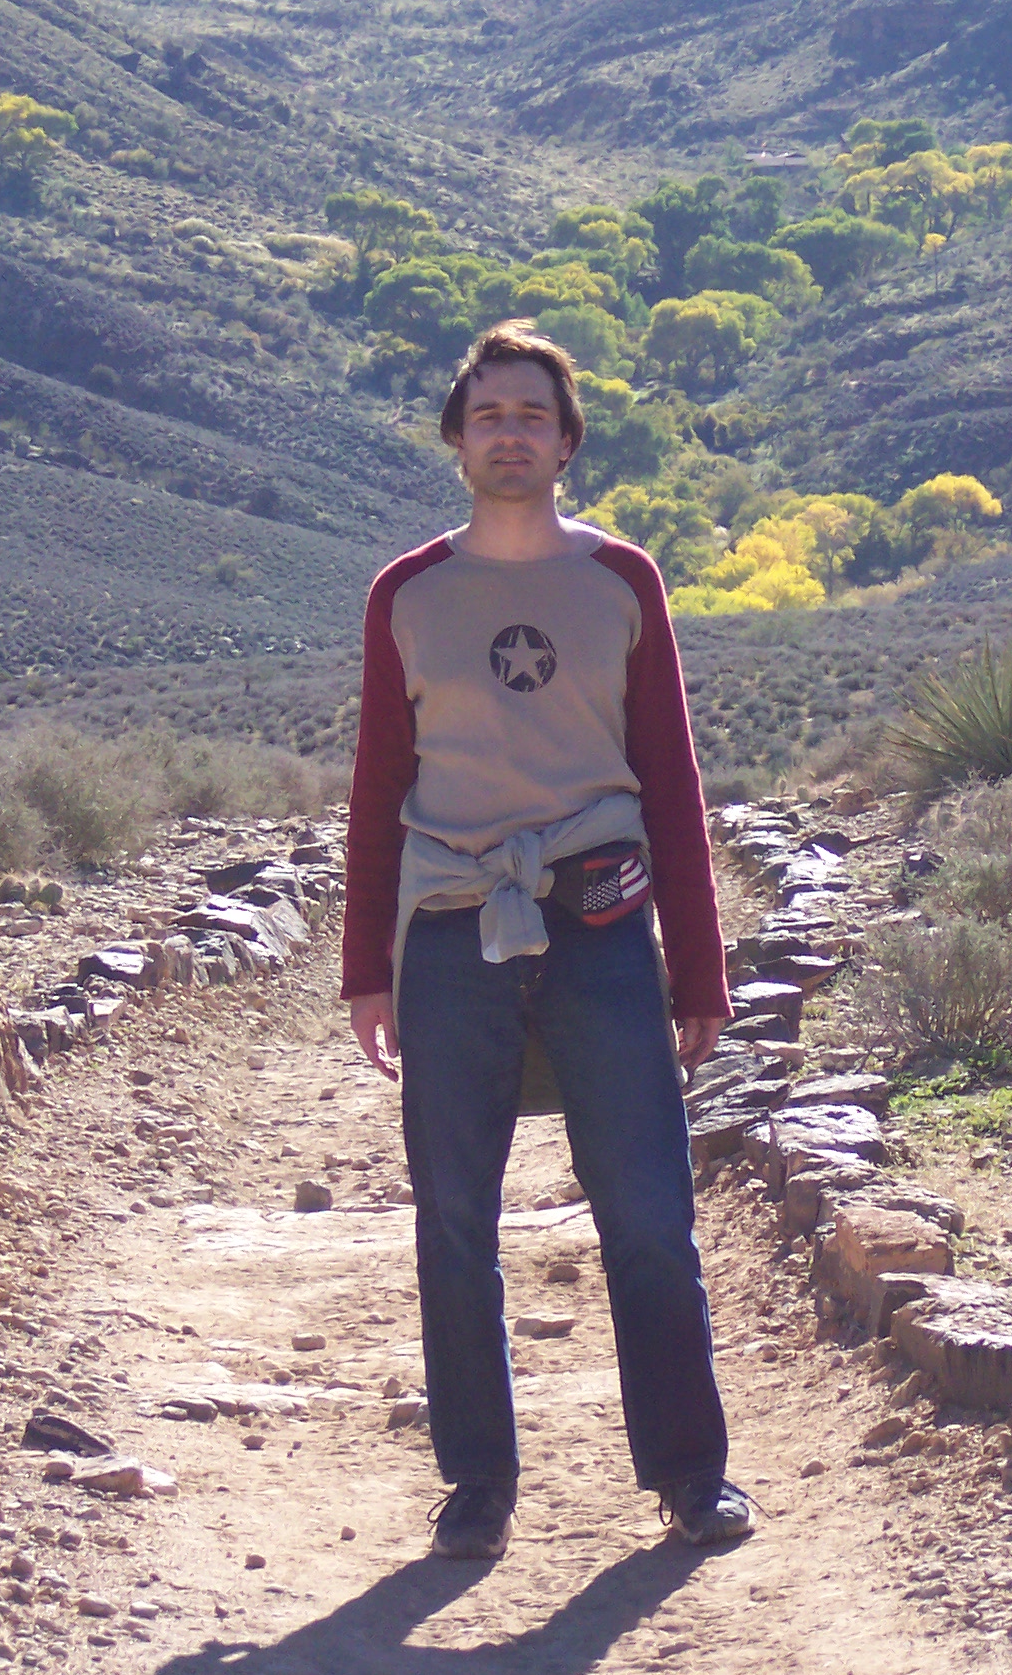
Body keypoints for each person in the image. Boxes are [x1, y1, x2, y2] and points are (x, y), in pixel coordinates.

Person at [341, 320, 750, 1561]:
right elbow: (378, 785)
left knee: (647, 1212)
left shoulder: (622, 581)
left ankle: (690, 1475)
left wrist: (700, 967)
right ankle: (477, 1485)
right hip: (451, 928)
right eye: (489, 416)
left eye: (532, 415)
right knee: (453, 1219)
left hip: (601, 922)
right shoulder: (407, 595)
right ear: (457, 441)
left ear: (567, 443)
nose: (509, 434)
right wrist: (365, 971)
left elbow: (670, 776)